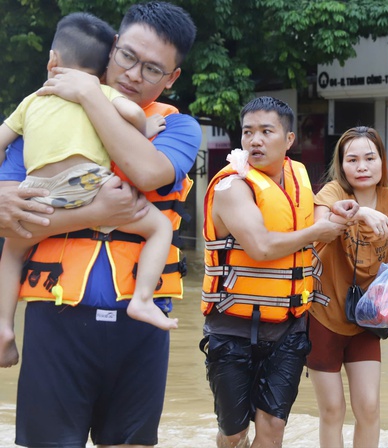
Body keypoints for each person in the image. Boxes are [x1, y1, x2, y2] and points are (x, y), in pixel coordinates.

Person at [0, 3, 200, 446]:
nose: (133, 74)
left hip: (142, 328)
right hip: (56, 320)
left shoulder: (177, 127)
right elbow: (10, 216)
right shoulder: (44, 114)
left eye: (153, 69)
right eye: (127, 56)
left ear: (172, 79)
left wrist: (91, 94)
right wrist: (94, 214)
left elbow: (149, 173)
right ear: (112, 47)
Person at [200, 96, 355, 448]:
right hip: (233, 329)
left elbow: (311, 221)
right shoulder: (231, 187)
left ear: (288, 140)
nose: (255, 140)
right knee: (235, 432)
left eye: (266, 131)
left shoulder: (298, 176)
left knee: (272, 427)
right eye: (248, 132)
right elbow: (262, 247)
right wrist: (318, 232)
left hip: (288, 326)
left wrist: (335, 215)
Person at [306, 126, 388, 448]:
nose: (362, 166)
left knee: (370, 407)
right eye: (352, 159)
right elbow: (320, 228)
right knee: (332, 409)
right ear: (342, 165)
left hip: (367, 321)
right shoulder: (333, 193)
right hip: (324, 317)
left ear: (382, 161)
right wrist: (361, 212)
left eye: (369, 158)